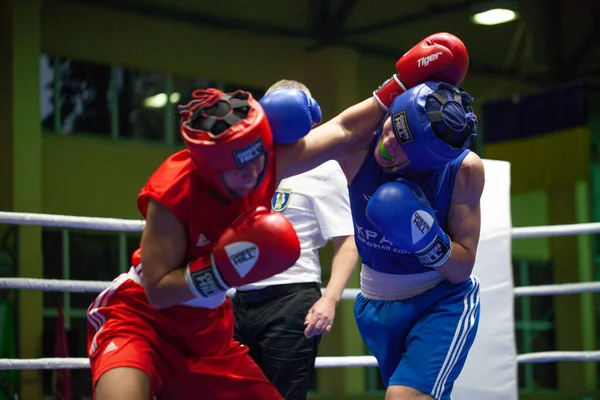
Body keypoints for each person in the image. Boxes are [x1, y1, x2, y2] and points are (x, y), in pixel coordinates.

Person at [86, 31, 469, 400]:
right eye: (241, 168)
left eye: (259, 157)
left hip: (208, 331)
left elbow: (344, 129)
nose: (255, 174)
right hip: (142, 320)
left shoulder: (262, 165)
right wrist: (220, 271)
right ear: (206, 167)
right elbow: (156, 289)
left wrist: (400, 84)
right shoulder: (172, 191)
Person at [350, 81, 484, 400]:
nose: (387, 143)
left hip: (439, 299)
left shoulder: (462, 169)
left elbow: (462, 267)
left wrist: (427, 240)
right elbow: (300, 151)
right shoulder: (356, 146)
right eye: (392, 126)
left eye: (403, 147)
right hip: (376, 304)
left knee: (404, 396)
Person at [232, 80, 359, 400]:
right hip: (239, 299)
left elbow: (347, 239)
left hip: (291, 300)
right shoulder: (251, 166)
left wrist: (329, 300)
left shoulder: (324, 168)